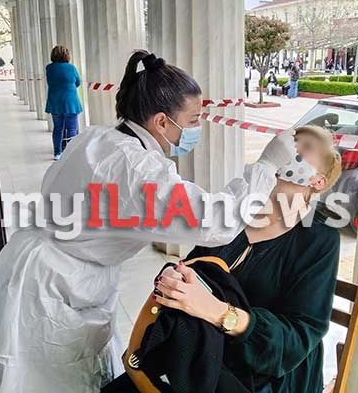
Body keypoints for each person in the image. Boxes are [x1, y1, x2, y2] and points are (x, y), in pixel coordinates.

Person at [0, 50, 296, 393]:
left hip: (45, 265)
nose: (196, 129)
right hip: (53, 285)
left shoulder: (98, 138)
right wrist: (266, 167)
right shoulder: (135, 168)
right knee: (42, 380)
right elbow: (214, 222)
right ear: (162, 122)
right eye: (193, 120)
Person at [128, 125, 343, 393]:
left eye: (305, 147)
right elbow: (197, 267)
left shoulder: (319, 239)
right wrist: (177, 279)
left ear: (317, 181)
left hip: (267, 373)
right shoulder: (238, 211)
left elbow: (298, 338)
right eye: (292, 141)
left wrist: (219, 312)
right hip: (200, 350)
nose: (292, 148)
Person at [45, 45, 83, 161]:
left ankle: (57, 153)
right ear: (67, 55)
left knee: (58, 128)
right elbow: (78, 82)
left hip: (55, 103)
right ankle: (71, 153)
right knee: (72, 129)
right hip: (71, 103)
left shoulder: (49, 68)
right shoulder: (71, 68)